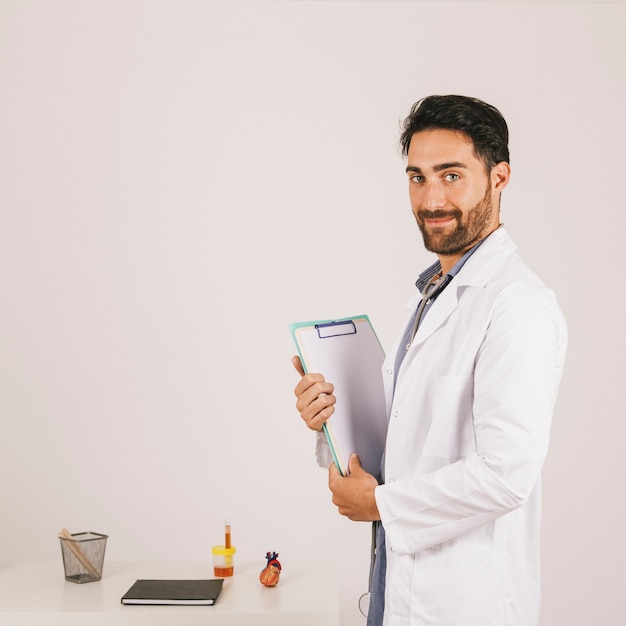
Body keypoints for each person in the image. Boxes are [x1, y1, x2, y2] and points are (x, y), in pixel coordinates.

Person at [292, 95, 567, 626]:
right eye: (417, 177)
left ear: (499, 177)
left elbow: (507, 475)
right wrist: (330, 423)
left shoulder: (516, 305)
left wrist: (379, 506)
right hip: (397, 586)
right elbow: (407, 447)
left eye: (451, 175)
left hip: (466, 605)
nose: (431, 198)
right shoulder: (432, 297)